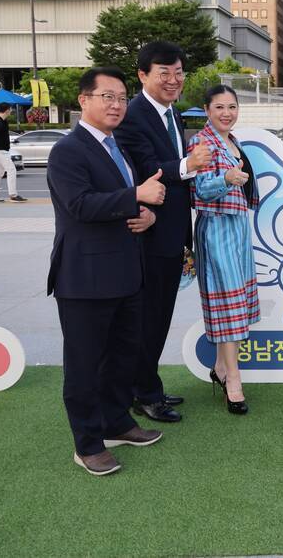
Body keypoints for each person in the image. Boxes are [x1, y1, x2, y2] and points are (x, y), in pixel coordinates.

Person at [47, 67, 167, 475]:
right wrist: (136, 194)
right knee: (85, 365)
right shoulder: (68, 150)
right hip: (84, 279)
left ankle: (117, 422)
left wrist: (145, 214)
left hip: (126, 273)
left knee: (122, 356)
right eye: (107, 97)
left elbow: (125, 202)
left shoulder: (117, 147)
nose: (117, 105)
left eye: (121, 97)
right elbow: (79, 205)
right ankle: (87, 443)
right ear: (84, 100)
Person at [116, 41, 211, 423]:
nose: (174, 80)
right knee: (149, 319)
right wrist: (190, 164)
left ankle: (147, 385)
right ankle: (144, 394)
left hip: (172, 233)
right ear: (142, 75)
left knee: (158, 316)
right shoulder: (134, 115)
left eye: (178, 73)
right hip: (149, 235)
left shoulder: (171, 114)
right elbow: (148, 169)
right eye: (164, 73)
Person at [188, 85, 259, 414]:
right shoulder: (201, 143)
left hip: (238, 227)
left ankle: (219, 366)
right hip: (216, 228)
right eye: (220, 107)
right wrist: (226, 179)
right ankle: (233, 379)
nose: (227, 112)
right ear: (207, 109)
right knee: (229, 305)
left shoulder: (232, 141)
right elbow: (199, 190)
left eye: (232, 106)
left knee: (236, 302)